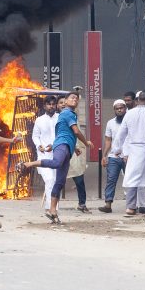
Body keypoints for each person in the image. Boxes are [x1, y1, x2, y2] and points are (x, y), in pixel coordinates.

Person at [16, 92, 93, 224]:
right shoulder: (65, 114)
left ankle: (53, 211)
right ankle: (28, 164)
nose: (74, 99)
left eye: (76, 98)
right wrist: (86, 143)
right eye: (71, 98)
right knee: (54, 170)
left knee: (59, 182)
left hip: (63, 149)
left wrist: (73, 147)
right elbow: (75, 131)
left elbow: (65, 133)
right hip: (53, 150)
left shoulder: (63, 116)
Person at [116, 91, 145, 216]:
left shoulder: (129, 114)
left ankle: (131, 207)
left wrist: (118, 150)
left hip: (134, 150)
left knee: (132, 177)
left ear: (136, 100)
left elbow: (121, 134)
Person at [98, 99, 127, 213]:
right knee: (111, 180)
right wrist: (104, 156)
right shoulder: (110, 123)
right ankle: (108, 204)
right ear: (114, 110)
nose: (119, 110)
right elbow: (108, 140)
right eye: (117, 108)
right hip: (114, 156)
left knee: (130, 180)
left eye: (121, 108)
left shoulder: (130, 121)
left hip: (128, 156)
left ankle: (133, 205)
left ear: (125, 108)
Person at [32, 95, 58, 209]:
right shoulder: (39, 120)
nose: (51, 106)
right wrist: (39, 146)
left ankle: (53, 207)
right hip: (44, 155)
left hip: (58, 154)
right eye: (49, 104)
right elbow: (35, 136)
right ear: (44, 106)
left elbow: (62, 136)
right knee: (49, 179)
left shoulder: (60, 118)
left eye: (53, 104)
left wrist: (55, 145)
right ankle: (51, 208)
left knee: (55, 182)